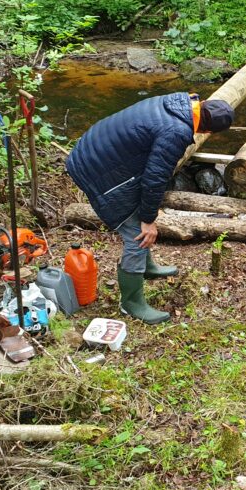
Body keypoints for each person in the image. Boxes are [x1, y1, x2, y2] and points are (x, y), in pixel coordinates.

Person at [66, 93, 234, 324]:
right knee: (137, 232)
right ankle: (131, 303)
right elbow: (154, 179)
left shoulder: (179, 102)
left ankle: (146, 266)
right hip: (95, 167)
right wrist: (148, 220)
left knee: (142, 205)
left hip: (92, 148)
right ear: (208, 132)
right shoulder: (177, 131)